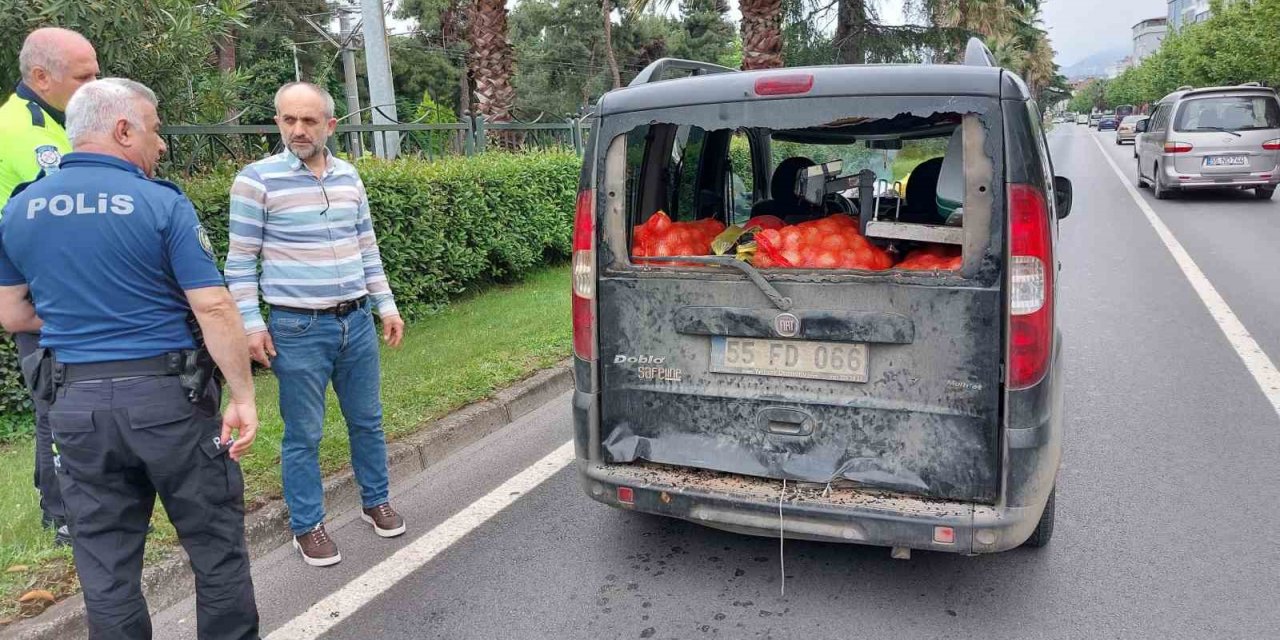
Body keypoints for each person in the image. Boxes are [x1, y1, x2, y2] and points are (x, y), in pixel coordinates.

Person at [0, 78, 260, 640]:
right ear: (123, 130)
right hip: (168, 403)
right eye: (155, 129)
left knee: (107, 569)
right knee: (215, 549)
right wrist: (242, 396)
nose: (160, 145)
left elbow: (14, 316)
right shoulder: (159, 202)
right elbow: (214, 307)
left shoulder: (20, 209)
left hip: (77, 409)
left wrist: (82, 312)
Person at [225, 82, 407, 568]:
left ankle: (377, 501)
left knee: (367, 421)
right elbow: (240, 263)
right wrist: (250, 325)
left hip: (356, 323)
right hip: (297, 329)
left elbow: (367, 248)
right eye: (288, 120)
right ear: (278, 122)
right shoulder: (256, 180)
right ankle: (308, 526)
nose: (298, 130)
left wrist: (385, 306)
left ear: (330, 124)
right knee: (303, 434)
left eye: (309, 121)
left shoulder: (349, 177)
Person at [0, 27, 99, 546]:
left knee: (60, 396)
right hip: (42, 291)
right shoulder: (21, 129)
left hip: (59, 287)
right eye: (84, 76)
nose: (94, 83)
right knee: (54, 398)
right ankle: (63, 514)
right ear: (41, 77)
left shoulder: (57, 121)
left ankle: (58, 501)